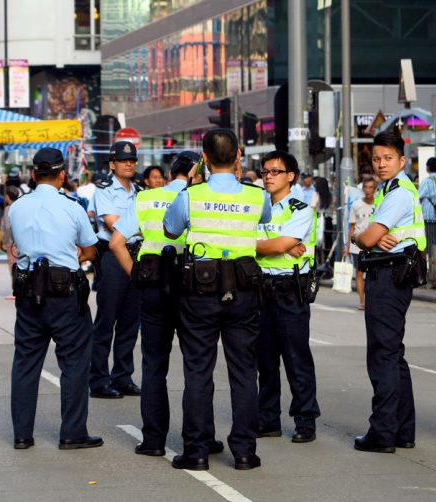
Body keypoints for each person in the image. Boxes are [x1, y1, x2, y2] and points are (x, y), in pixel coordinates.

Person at [163, 128, 272, 471]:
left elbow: (170, 230)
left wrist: (192, 184)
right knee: (244, 371)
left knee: (198, 370)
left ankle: (196, 451)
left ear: (204, 158)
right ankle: (245, 452)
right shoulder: (257, 196)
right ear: (239, 156)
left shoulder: (190, 195)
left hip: (200, 290)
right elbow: (265, 218)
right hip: (243, 290)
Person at [110, 150, 226, 457]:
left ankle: (153, 440)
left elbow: (116, 242)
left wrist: (136, 276)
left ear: (171, 173)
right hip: (194, 286)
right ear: (197, 173)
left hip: (153, 285)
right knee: (198, 366)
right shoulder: (202, 198)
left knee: (153, 365)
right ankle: (201, 438)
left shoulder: (146, 198)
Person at [8, 147, 102, 451]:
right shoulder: (72, 207)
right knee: (74, 363)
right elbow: (90, 249)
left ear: (33, 174)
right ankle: (72, 433)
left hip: (28, 292)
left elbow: (13, 246)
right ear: (62, 175)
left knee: (25, 363)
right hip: (65, 294)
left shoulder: (16, 208)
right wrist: (72, 255)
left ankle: (22, 435)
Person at [351, 131, 426, 453]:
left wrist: (360, 237)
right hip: (392, 273)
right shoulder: (389, 189)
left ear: (402, 160)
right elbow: (371, 235)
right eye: (376, 159)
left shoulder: (398, 193)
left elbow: (367, 238)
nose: (381, 164)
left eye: (388, 158)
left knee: (383, 354)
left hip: (389, 276)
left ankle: (382, 434)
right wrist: (367, 235)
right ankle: (402, 431)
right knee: (393, 355)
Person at [255, 150, 320, 444]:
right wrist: (277, 244)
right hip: (260, 288)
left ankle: (305, 421)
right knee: (265, 359)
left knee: (296, 358)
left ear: (290, 176)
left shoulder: (300, 209)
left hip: (289, 289)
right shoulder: (258, 206)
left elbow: (280, 245)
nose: (268, 176)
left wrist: (275, 244)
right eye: (265, 171)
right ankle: (268, 419)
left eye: (275, 171)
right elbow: (276, 244)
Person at [89, 141, 143, 399]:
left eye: (132, 160)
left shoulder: (139, 191)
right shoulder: (104, 190)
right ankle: (98, 379)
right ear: (112, 164)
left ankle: (122, 377)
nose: (129, 164)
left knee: (130, 321)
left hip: (135, 255)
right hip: (112, 256)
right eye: (123, 160)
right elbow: (113, 223)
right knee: (106, 320)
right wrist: (141, 228)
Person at [346, 178, 377, 310]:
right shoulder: (356, 205)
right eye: (366, 187)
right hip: (357, 244)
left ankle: (372, 299)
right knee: (359, 273)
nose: (368, 190)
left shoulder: (378, 204)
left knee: (373, 273)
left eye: (371, 187)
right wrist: (347, 247)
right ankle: (362, 301)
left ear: (375, 189)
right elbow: (352, 227)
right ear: (362, 189)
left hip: (374, 243)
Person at [2, 186, 21, 300]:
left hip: (11, 241)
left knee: (13, 265)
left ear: (8, 196)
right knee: (21, 264)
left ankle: (16, 290)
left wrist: (4, 241)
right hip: (22, 240)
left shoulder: (8, 208)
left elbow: (7, 227)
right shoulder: (21, 206)